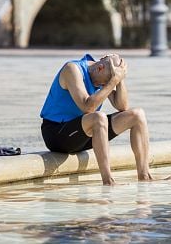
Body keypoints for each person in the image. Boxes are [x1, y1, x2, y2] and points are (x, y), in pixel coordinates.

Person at [40, 53, 153, 186]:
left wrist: (120, 79)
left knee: (137, 115)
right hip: (57, 134)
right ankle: (108, 181)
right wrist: (112, 82)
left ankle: (144, 175)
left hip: (83, 133)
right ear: (99, 68)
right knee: (99, 117)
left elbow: (122, 106)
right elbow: (87, 107)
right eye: (104, 83)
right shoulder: (72, 70)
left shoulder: (102, 75)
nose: (104, 86)